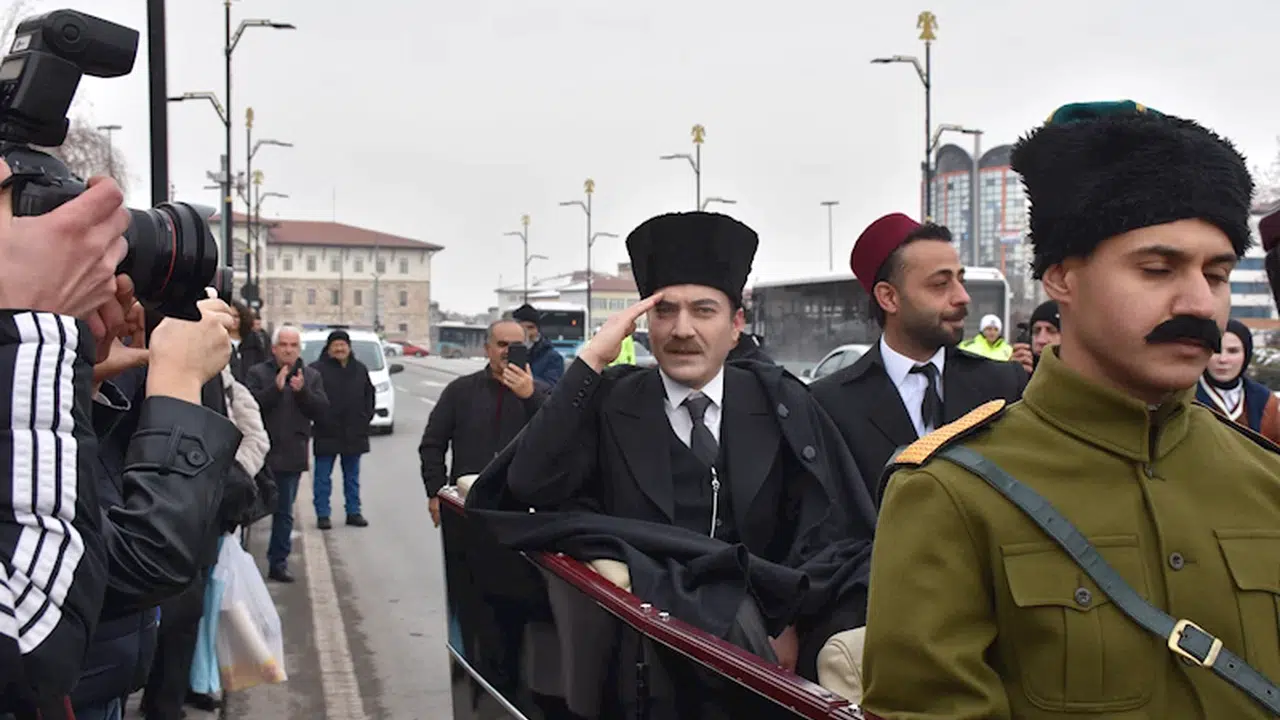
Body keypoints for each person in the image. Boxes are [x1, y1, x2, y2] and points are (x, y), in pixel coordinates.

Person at [860, 101, 1279, 719]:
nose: (1198, 302)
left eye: (1216, 275)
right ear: (1060, 278)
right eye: (1157, 269)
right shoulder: (953, 494)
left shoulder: (1265, 477)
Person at [468, 211, 876, 695]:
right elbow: (526, 484)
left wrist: (791, 617)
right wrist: (591, 359)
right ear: (643, 323)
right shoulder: (609, 403)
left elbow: (833, 531)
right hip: (642, 663)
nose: (682, 330)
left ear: (736, 325)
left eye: (703, 311)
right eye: (665, 312)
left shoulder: (781, 403)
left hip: (770, 652)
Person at [811, 215, 1028, 503]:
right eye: (940, 284)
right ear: (889, 298)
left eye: (960, 280)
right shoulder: (829, 406)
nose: (963, 297)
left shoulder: (1004, 385)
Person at [418, 320, 547, 528]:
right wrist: (436, 492)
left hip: (521, 509)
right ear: (487, 349)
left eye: (516, 346)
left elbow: (558, 438)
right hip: (466, 503)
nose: (508, 352)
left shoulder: (543, 394)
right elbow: (432, 444)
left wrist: (530, 396)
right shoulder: (460, 391)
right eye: (502, 344)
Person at [246, 325, 329, 583]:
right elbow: (249, 406)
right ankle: (241, 563)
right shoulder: (258, 373)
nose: (288, 350)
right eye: (283, 345)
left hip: (291, 453)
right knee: (247, 510)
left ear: (299, 349)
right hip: (259, 455)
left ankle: (278, 562)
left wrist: (302, 392)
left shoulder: (311, 376)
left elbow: (321, 410)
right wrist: (275, 389)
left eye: (293, 345)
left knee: (284, 512)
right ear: (274, 348)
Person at [309, 329, 375, 529]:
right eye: (335, 345)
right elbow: (310, 399)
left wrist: (364, 419)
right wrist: (320, 419)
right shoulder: (316, 369)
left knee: (352, 477)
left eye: (343, 345)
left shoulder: (360, 369)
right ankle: (323, 514)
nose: (339, 349)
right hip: (326, 432)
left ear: (349, 347)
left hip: (354, 432)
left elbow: (369, 396)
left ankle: (353, 512)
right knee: (322, 478)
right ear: (328, 348)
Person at [1196, 318, 1280, 442]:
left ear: (1246, 354)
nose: (1223, 359)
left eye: (1233, 351)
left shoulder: (1266, 401)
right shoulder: (1184, 397)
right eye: (1216, 350)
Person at [510, 303, 566, 385]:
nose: (526, 332)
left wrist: (525, 379)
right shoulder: (505, 352)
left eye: (530, 327)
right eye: (521, 328)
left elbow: (552, 387)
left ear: (538, 330)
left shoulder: (553, 358)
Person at [1010, 299, 1061, 373]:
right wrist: (1012, 374)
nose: (1041, 340)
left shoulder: (1076, 375)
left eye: (1051, 331)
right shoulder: (1022, 371)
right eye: (1036, 331)